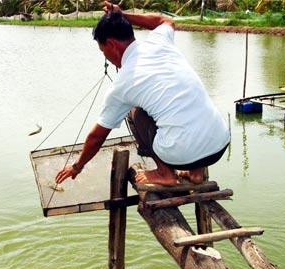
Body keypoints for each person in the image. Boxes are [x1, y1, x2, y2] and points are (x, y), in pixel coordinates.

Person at [55, 1, 230, 186]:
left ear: (112, 45)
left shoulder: (123, 83)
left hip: (182, 154)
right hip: (219, 143)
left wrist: (77, 166)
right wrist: (124, 15)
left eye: (103, 50)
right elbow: (166, 20)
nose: (106, 57)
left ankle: (165, 174)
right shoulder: (159, 41)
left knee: (134, 113)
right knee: (181, 104)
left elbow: (97, 137)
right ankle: (196, 174)